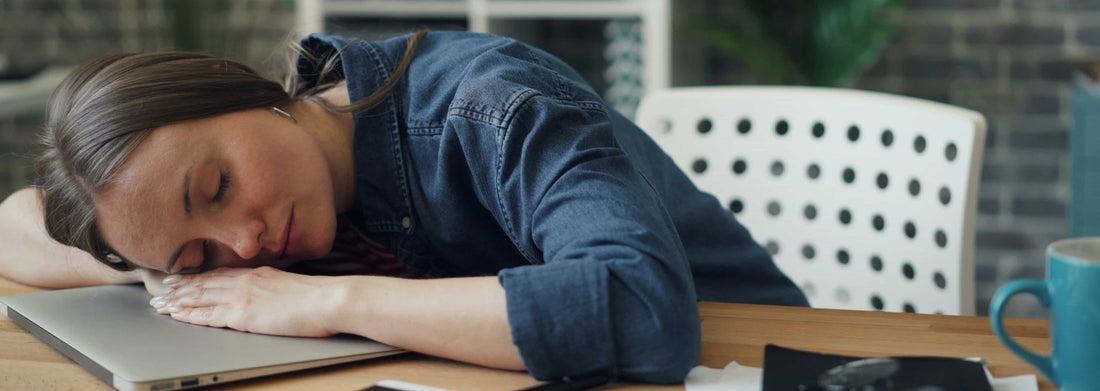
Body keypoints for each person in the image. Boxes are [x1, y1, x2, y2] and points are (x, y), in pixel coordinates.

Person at [0, 30, 807, 384]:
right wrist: (159, 268)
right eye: (201, 254)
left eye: (215, 188)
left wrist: (321, 299)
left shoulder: (494, 105)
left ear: (234, 79)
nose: (245, 240)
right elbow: (11, 222)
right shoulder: (246, 223)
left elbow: (639, 310)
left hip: (761, 366)